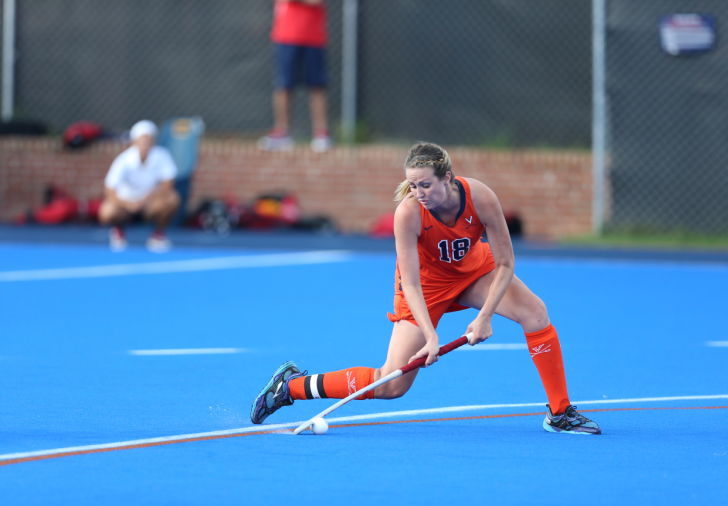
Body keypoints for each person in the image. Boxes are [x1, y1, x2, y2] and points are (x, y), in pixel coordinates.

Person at [251, 142, 601, 435]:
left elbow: (507, 263)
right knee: (391, 385)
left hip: (474, 271)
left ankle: (560, 412)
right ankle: (291, 386)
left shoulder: (480, 197)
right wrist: (431, 336)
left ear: (447, 177)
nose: (419, 194)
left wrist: (486, 317)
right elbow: (413, 283)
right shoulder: (409, 214)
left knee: (535, 313)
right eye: (413, 186)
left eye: (426, 185)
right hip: (426, 287)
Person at [258, 0, 332, 153]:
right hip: (286, 36)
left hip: (314, 38)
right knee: (283, 85)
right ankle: (282, 133)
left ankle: (321, 134)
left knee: (317, 86)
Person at [98, 120, 180, 252]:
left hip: (149, 203)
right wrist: (127, 204)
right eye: (142, 139)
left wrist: (144, 201)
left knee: (172, 199)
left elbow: (168, 184)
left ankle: (157, 235)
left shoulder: (162, 156)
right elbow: (110, 188)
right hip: (126, 203)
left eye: (148, 139)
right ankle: (118, 232)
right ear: (134, 141)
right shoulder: (123, 159)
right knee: (107, 211)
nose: (145, 143)